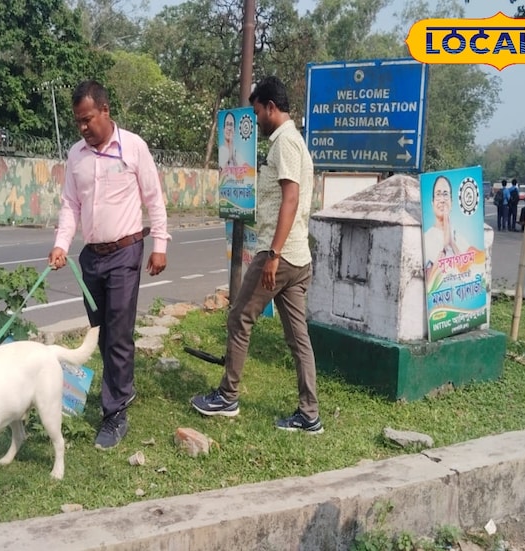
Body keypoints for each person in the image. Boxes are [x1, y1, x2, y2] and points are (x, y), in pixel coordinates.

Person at [190, 76, 322, 434]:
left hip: (280, 255)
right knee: (298, 338)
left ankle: (227, 396)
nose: (257, 119)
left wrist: (273, 255)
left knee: (239, 318)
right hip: (298, 257)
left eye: (258, 111)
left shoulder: (285, 143)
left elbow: (290, 199)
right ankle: (309, 414)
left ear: (271, 108)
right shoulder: (295, 141)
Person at [47, 80, 170, 450]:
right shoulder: (76, 155)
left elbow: (154, 197)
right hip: (92, 258)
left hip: (125, 253)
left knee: (118, 332)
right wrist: (61, 244)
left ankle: (115, 413)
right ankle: (120, 389)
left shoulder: (133, 147)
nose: (83, 127)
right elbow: (71, 204)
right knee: (100, 331)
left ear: (105, 110)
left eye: (88, 119)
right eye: (78, 122)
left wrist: (160, 245)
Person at [423, 175, 469, 287]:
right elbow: (429, 284)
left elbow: (469, 273)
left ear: (451, 202)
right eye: (438, 195)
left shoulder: (460, 238)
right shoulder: (426, 238)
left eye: (445, 194)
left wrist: (452, 243)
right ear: (432, 202)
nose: (442, 200)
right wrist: (444, 247)